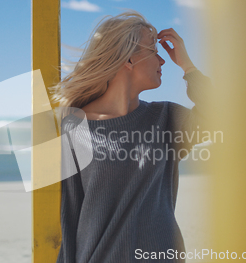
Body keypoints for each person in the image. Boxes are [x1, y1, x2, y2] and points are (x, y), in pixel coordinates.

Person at [50, 10, 213, 263]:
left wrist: (188, 66)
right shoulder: (75, 126)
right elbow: (71, 215)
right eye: (153, 51)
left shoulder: (166, 118)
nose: (163, 61)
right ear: (128, 59)